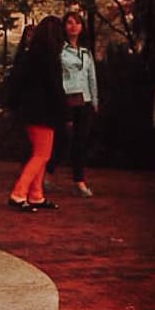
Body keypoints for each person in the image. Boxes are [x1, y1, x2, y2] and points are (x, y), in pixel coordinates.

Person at [7, 14, 67, 212]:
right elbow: (55, 89)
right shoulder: (51, 58)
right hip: (45, 113)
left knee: (39, 154)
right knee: (42, 155)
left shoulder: (30, 55)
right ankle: (19, 193)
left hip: (30, 111)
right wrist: (63, 111)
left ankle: (36, 194)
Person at [48, 10, 99, 197]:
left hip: (84, 101)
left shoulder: (86, 53)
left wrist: (94, 100)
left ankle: (79, 181)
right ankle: (48, 172)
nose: (73, 26)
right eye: (69, 22)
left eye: (77, 23)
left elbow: (91, 77)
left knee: (81, 141)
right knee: (62, 139)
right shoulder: (60, 51)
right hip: (66, 100)